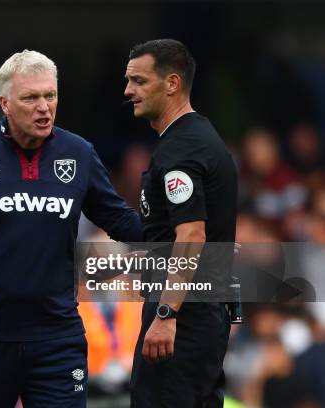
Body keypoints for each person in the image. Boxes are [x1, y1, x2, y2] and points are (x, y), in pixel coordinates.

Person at [0, 50, 142, 408]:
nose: (43, 107)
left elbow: (119, 220)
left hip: (57, 339)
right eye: (30, 97)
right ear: (4, 103)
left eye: (50, 95)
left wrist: (185, 239)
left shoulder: (79, 153)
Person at [124, 39, 237, 407]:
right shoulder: (200, 138)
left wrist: (166, 312)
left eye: (139, 81)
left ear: (172, 83)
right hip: (202, 314)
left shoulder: (182, 148)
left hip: (182, 318)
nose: (129, 91)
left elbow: (192, 233)